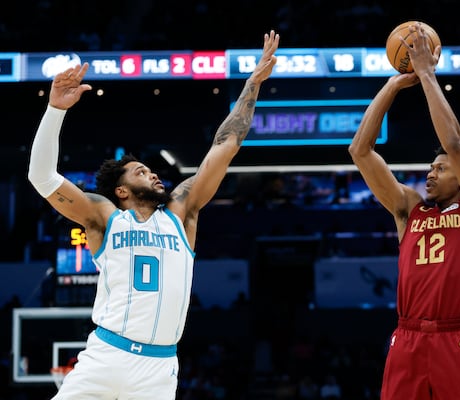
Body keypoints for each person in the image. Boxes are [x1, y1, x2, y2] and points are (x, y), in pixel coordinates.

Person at [27, 30, 279, 399]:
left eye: (151, 170)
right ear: (121, 191)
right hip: (107, 356)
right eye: (141, 171)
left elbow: (226, 145)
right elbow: (41, 176)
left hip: (159, 368)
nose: (153, 174)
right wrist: (54, 110)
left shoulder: (182, 212)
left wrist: (252, 84)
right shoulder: (104, 217)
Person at [349, 23, 460, 399]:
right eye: (431, 168)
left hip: (457, 337)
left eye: (441, 169)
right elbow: (360, 151)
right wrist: (394, 85)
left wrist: (428, 75)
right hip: (408, 335)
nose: (431, 174)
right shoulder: (408, 210)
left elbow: (453, 142)